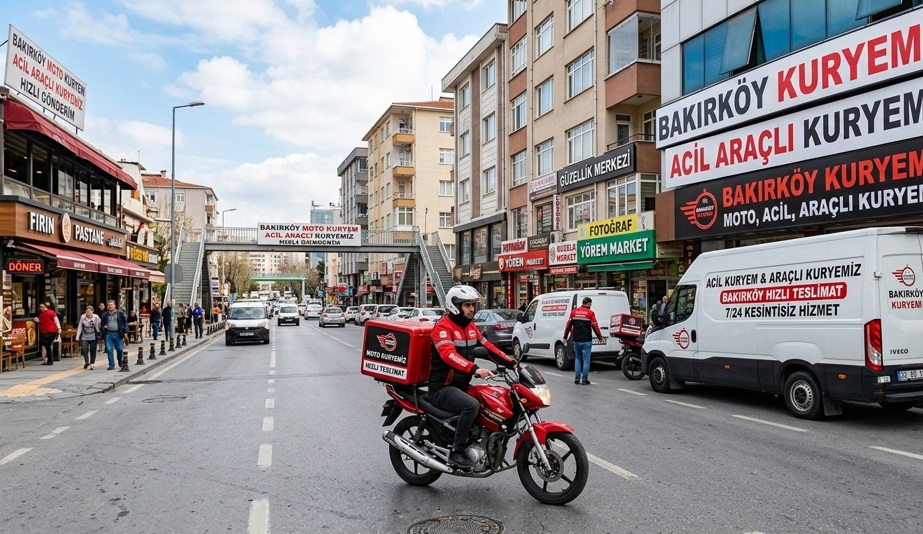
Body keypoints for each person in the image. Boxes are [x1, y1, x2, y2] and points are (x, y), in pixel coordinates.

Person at [429, 285, 516, 469]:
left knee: (489, 400)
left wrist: (513, 364)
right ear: (455, 306)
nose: (471, 309)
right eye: (467, 305)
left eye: (472, 305)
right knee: (471, 405)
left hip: (460, 386)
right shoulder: (442, 328)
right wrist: (475, 369)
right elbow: (449, 355)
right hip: (442, 388)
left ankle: (477, 441)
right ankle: (457, 451)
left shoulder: (470, 327)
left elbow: (489, 347)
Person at [562, 297, 604, 385]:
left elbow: (568, 326)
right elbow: (595, 326)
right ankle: (584, 379)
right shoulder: (590, 313)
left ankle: (577, 378)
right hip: (587, 339)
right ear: (588, 303)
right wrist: (599, 337)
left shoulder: (574, 312)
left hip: (576, 339)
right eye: (590, 304)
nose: (591, 305)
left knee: (578, 358)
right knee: (586, 360)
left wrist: (565, 337)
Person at [99, 300, 129, 370]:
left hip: (118, 333)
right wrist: (104, 326)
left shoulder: (120, 313)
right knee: (109, 349)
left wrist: (125, 332)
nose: (110, 306)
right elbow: (102, 324)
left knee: (119, 349)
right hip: (108, 333)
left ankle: (120, 360)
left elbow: (125, 323)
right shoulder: (105, 314)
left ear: (115, 305)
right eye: (109, 305)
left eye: (111, 305)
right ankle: (111, 364)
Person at [76, 305, 101, 370]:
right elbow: (80, 326)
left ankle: (92, 363)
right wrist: (77, 336)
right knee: (84, 349)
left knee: (93, 350)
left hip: (93, 335)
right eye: (87, 311)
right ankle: (86, 362)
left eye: (89, 311)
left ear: (92, 311)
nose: (88, 312)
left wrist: (99, 334)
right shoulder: (83, 317)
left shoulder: (96, 317)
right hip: (85, 335)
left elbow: (97, 326)